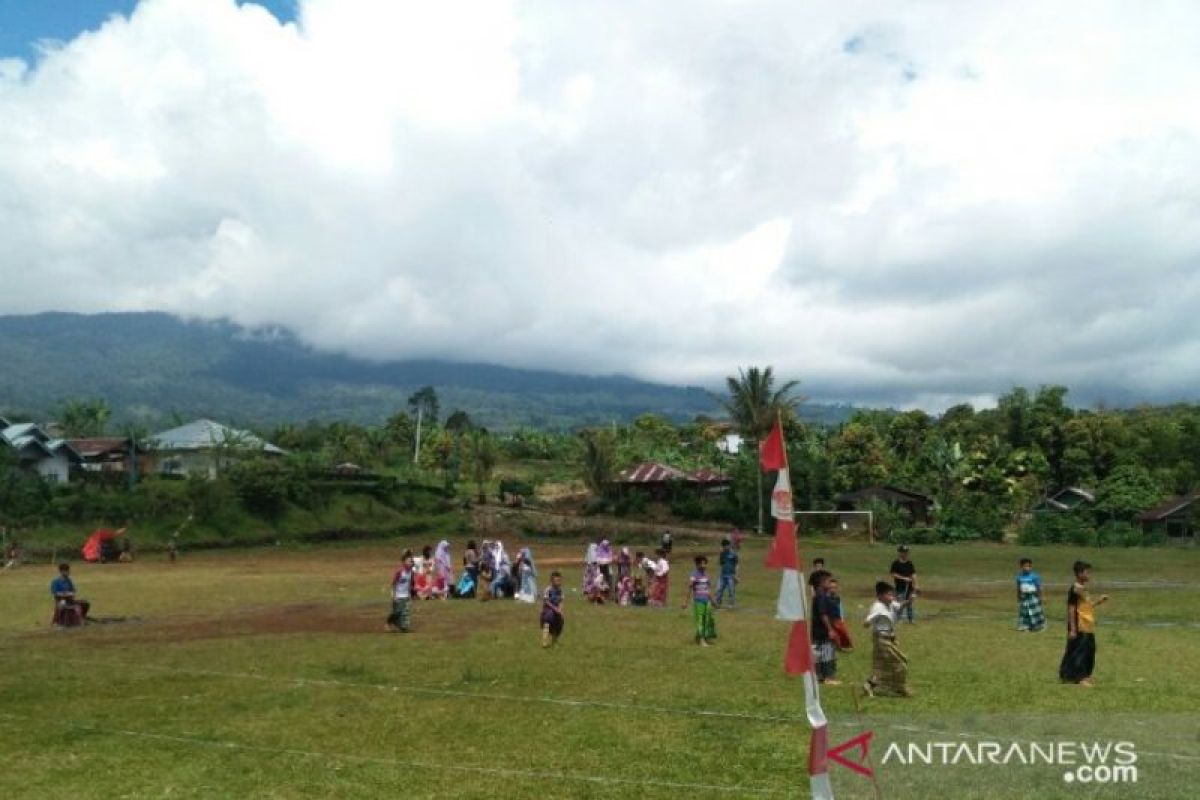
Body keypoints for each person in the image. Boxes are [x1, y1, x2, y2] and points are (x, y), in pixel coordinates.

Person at [1059, 561, 1109, 686]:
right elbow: (1071, 608)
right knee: (1079, 652)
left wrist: (1100, 601)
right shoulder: (1075, 589)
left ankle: (1085, 675)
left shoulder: (1083, 589)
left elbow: (1088, 605)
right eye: (1087, 572)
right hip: (1079, 625)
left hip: (1088, 625)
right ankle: (1079, 678)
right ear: (1079, 573)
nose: (1089, 575)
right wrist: (1073, 628)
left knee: (1089, 651)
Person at [862, 581, 915, 697]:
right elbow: (868, 620)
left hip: (889, 638)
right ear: (880, 596)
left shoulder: (890, 604)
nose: (892, 597)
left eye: (892, 594)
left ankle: (869, 685)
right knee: (900, 662)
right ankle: (899, 687)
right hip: (881, 639)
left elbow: (901, 605)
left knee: (883, 665)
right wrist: (867, 623)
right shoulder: (877, 607)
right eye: (889, 595)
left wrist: (909, 601)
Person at [811, 573, 840, 684]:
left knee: (818, 653)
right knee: (827, 652)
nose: (830, 583)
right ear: (822, 583)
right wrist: (830, 629)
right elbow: (823, 614)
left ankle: (819, 676)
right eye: (828, 581)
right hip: (823, 630)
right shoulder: (822, 596)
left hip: (816, 630)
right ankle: (829, 677)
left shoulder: (818, 595)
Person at [684, 555, 717, 646]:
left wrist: (713, 601)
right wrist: (685, 602)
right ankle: (702, 640)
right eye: (701, 564)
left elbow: (708, 590)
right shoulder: (694, 575)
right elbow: (690, 588)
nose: (703, 565)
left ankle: (704, 637)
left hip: (707, 601)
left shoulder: (707, 575)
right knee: (700, 620)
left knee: (707, 620)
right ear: (697, 565)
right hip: (698, 601)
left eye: (704, 563)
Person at [50, 563, 90, 627]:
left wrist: (72, 593)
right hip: (61, 601)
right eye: (67, 571)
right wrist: (65, 594)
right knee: (74, 607)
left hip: (70, 600)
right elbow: (55, 593)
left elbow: (73, 590)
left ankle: (82, 618)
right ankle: (58, 621)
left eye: (69, 571)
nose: (69, 572)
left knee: (85, 603)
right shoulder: (56, 581)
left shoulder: (68, 580)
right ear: (62, 571)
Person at [386, 550, 416, 632]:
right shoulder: (399, 572)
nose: (411, 563)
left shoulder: (412, 573)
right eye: (409, 561)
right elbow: (393, 584)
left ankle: (404, 626)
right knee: (397, 612)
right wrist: (394, 595)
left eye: (411, 561)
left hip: (406, 596)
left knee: (405, 613)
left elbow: (411, 584)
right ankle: (389, 622)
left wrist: (411, 594)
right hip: (398, 596)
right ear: (404, 562)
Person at [1016, 557, 1045, 632]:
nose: (1027, 568)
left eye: (1029, 566)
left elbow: (1039, 587)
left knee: (1035, 611)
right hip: (1024, 597)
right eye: (1025, 566)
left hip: (1033, 596)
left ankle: (1038, 626)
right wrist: (1018, 596)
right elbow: (1018, 587)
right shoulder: (1019, 577)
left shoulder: (1034, 576)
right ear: (1021, 567)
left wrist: (1040, 597)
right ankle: (1025, 626)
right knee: (1025, 612)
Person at [889, 545, 917, 622]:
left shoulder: (909, 563)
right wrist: (904, 578)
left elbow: (913, 574)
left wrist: (915, 584)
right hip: (900, 587)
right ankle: (897, 619)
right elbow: (893, 574)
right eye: (904, 552)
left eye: (906, 552)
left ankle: (911, 619)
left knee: (910, 602)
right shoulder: (896, 563)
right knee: (900, 603)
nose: (905, 554)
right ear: (900, 553)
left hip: (909, 586)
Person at [827, 577, 853, 651]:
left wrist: (842, 618)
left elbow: (839, 608)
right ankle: (836, 647)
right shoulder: (826, 598)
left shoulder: (837, 598)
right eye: (831, 587)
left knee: (844, 633)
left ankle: (844, 646)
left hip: (837, 620)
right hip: (829, 621)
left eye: (834, 587)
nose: (833, 589)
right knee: (833, 636)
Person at [541, 571, 565, 648]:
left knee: (558, 625)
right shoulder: (548, 590)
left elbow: (561, 601)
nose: (559, 582)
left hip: (556, 611)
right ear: (552, 581)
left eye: (559, 580)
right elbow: (546, 601)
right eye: (557, 581)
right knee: (547, 623)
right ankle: (544, 641)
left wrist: (560, 610)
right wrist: (555, 608)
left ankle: (554, 641)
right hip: (548, 610)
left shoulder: (560, 590)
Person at [715, 538, 739, 608]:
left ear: (729, 545)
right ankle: (718, 603)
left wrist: (736, 576)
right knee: (719, 589)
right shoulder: (722, 554)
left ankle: (731, 604)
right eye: (724, 546)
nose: (726, 547)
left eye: (727, 545)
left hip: (731, 575)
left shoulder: (734, 554)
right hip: (723, 575)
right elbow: (721, 564)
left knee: (731, 590)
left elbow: (736, 565)